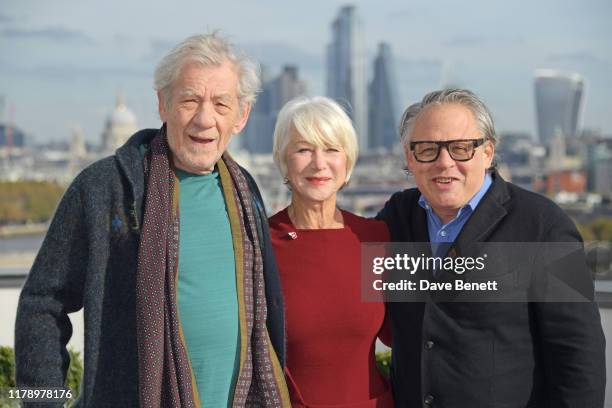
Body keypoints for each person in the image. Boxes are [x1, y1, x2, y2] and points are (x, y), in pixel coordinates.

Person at [15, 33, 290, 407]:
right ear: (163, 104)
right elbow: (41, 303)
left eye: (221, 104)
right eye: (189, 100)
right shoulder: (103, 188)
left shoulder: (248, 193)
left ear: (241, 116)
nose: (205, 118)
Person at [376, 88, 606, 407]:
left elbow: (580, 354)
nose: (445, 163)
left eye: (461, 148)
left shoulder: (544, 225)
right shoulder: (397, 219)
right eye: (428, 149)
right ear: (410, 157)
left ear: (487, 152)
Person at [268, 96, 393, 407]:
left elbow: (413, 333)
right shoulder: (260, 243)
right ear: (284, 160)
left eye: (331, 149)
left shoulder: (374, 238)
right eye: (303, 149)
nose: (319, 163)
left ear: (347, 162)